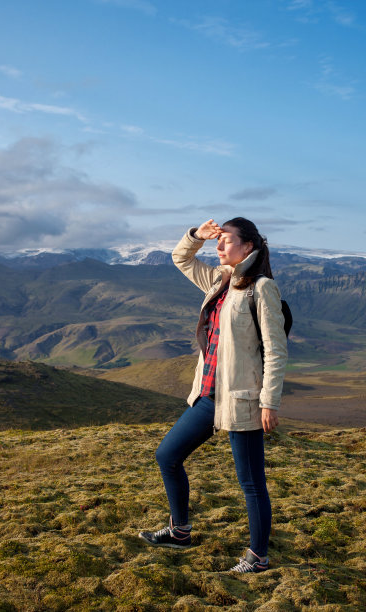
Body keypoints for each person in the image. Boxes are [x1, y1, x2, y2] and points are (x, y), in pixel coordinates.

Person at [138, 217, 288, 573]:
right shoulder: (219, 279)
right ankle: (180, 532)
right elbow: (181, 258)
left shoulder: (261, 288)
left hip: (241, 399)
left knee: (251, 483)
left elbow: (275, 349)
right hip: (207, 397)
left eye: (226, 241)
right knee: (167, 455)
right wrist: (197, 236)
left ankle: (258, 558)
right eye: (218, 242)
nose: (219, 248)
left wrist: (269, 402)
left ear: (248, 246)